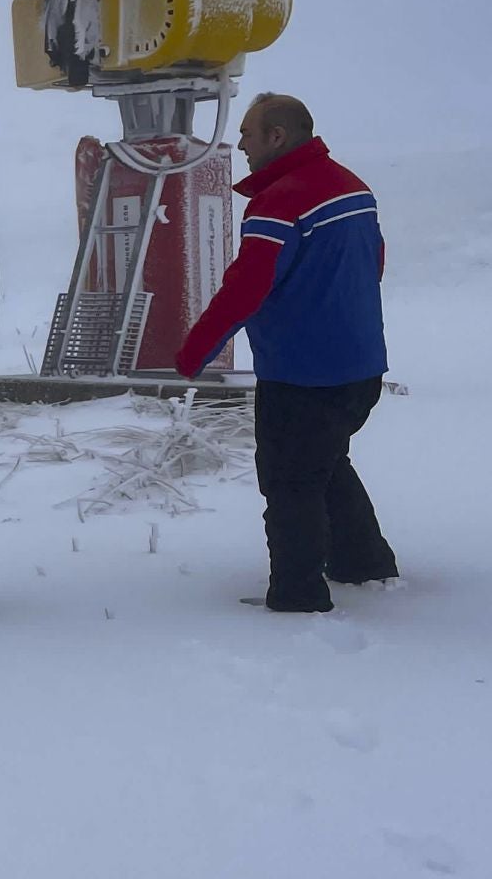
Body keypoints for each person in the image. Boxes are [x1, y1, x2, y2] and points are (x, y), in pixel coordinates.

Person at [175, 93, 399, 613]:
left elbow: (246, 287)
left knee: (290, 481)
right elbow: (376, 262)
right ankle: (362, 562)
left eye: (248, 133)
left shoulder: (279, 202)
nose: (241, 144)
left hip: (302, 377)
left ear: (277, 136)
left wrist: (192, 354)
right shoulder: (353, 187)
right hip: (361, 371)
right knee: (325, 462)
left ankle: (297, 596)